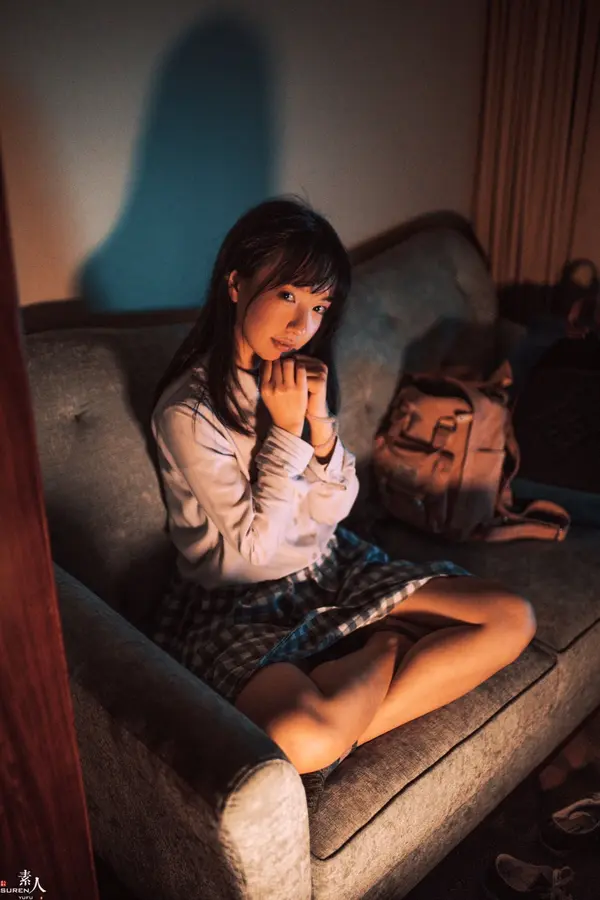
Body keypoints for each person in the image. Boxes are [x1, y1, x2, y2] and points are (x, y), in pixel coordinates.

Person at [151, 196, 536, 789]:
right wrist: (285, 433)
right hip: (239, 602)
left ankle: (351, 688)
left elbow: (335, 509)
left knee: (512, 618)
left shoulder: (298, 374)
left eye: (319, 306)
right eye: (287, 295)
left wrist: (321, 428)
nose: (301, 325)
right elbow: (254, 550)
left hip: (330, 569)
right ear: (235, 283)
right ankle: (383, 646)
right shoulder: (189, 412)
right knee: (299, 738)